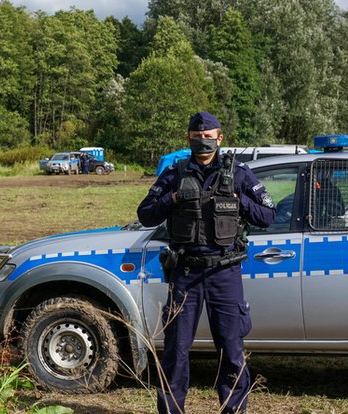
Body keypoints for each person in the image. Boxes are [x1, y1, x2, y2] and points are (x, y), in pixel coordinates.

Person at [136, 112, 275, 414]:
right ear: (188, 138)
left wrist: (238, 201)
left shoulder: (238, 173)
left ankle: (233, 409)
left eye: (209, 136)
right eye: (197, 137)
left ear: (220, 138)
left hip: (225, 273)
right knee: (175, 351)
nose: (203, 141)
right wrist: (172, 198)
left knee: (231, 348)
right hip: (185, 274)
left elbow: (268, 214)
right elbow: (145, 214)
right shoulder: (175, 172)